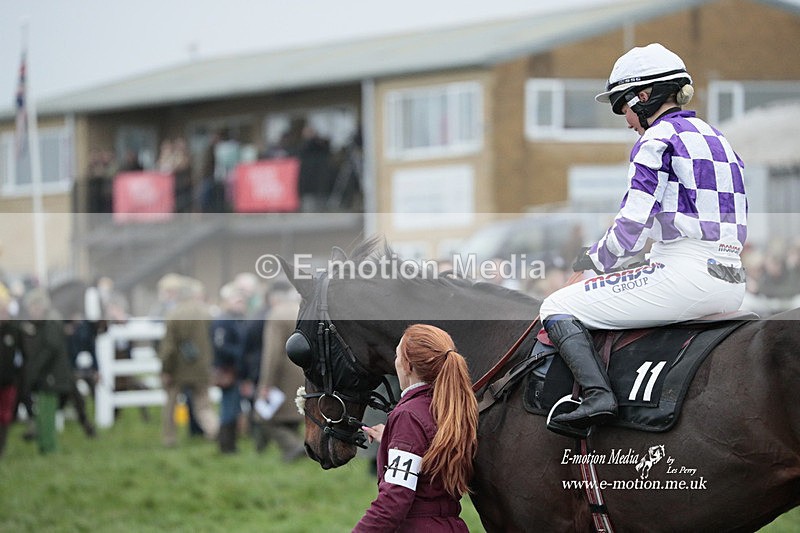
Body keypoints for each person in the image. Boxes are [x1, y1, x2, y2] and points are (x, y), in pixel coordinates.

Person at [539, 43, 748, 430]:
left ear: (644, 96)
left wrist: (588, 265)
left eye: (625, 107)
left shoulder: (655, 140)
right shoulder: (718, 137)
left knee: (555, 305)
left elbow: (631, 228)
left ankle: (596, 398)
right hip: (733, 280)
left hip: (685, 277)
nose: (627, 120)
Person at [355, 324, 478, 532]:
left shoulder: (408, 416)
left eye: (397, 356)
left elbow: (394, 501)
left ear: (408, 366)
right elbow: (430, 448)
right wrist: (391, 438)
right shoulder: (452, 407)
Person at [158, 278, 219, 448]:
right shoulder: (207, 313)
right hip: (202, 367)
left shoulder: (174, 314)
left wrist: (166, 370)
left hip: (178, 369)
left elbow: (169, 347)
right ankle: (214, 431)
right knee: (203, 405)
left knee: (171, 405)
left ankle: (169, 438)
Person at [254, 280, 305, 461]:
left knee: (264, 417)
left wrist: (266, 384)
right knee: (293, 414)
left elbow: (272, 353)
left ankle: (295, 447)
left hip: (283, 374)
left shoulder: (277, 314)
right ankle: (295, 450)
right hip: (303, 371)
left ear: (274, 299)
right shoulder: (303, 309)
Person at [20, 289, 75, 454]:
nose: (32, 311)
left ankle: (49, 447)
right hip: (47, 375)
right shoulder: (44, 324)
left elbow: (50, 349)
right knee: (43, 411)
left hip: (52, 375)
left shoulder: (51, 323)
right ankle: (44, 445)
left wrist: (34, 369)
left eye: (33, 307)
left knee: (48, 413)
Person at [211, 283, 247, 453]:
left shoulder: (236, 319)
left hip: (235, 369)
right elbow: (220, 345)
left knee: (233, 407)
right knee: (229, 408)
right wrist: (240, 353)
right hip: (228, 370)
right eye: (237, 301)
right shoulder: (223, 320)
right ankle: (226, 445)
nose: (241, 304)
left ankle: (229, 444)